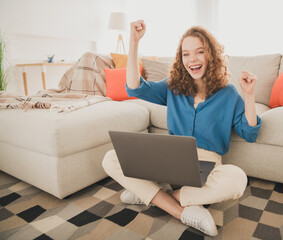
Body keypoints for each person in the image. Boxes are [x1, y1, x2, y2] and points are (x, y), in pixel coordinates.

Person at [102, 19, 262, 236]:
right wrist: (134, 41)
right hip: (169, 161)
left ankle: (152, 195)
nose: (192, 59)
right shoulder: (173, 87)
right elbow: (134, 87)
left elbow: (250, 133)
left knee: (237, 179)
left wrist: (249, 95)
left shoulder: (228, 93)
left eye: (199, 52)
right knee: (111, 158)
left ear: (211, 55)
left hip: (206, 166)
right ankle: (181, 212)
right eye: (186, 54)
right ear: (180, 59)